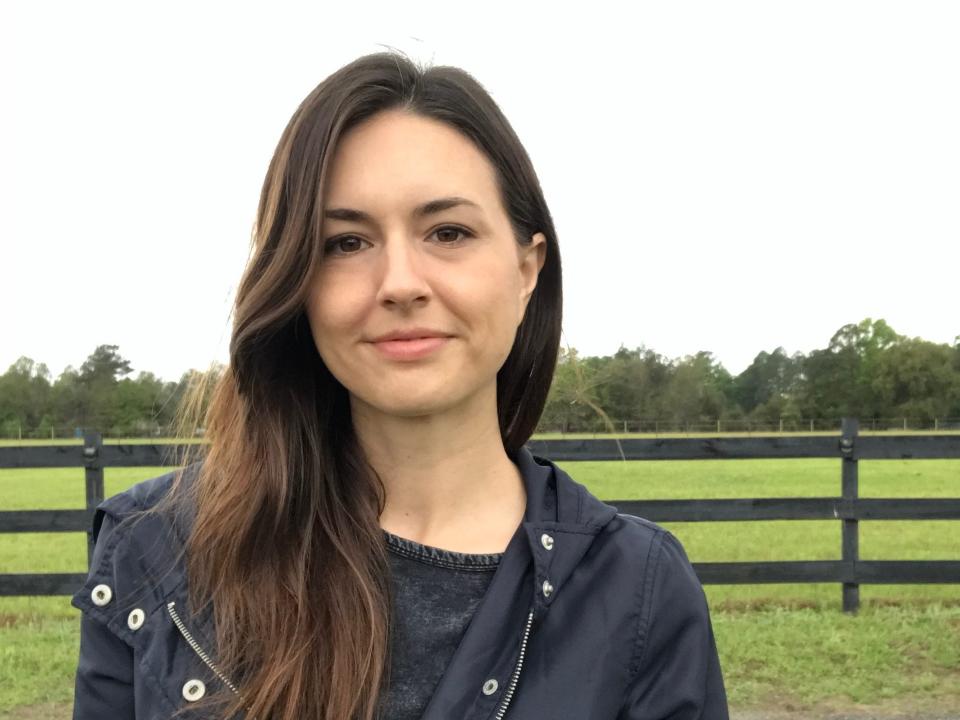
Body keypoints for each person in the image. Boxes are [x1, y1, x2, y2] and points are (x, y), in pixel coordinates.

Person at [71, 51, 729, 720]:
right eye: (346, 243)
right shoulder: (158, 553)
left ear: (527, 268)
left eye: (448, 232)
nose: (400, 284)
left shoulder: (637, 593)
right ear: (296, 280)